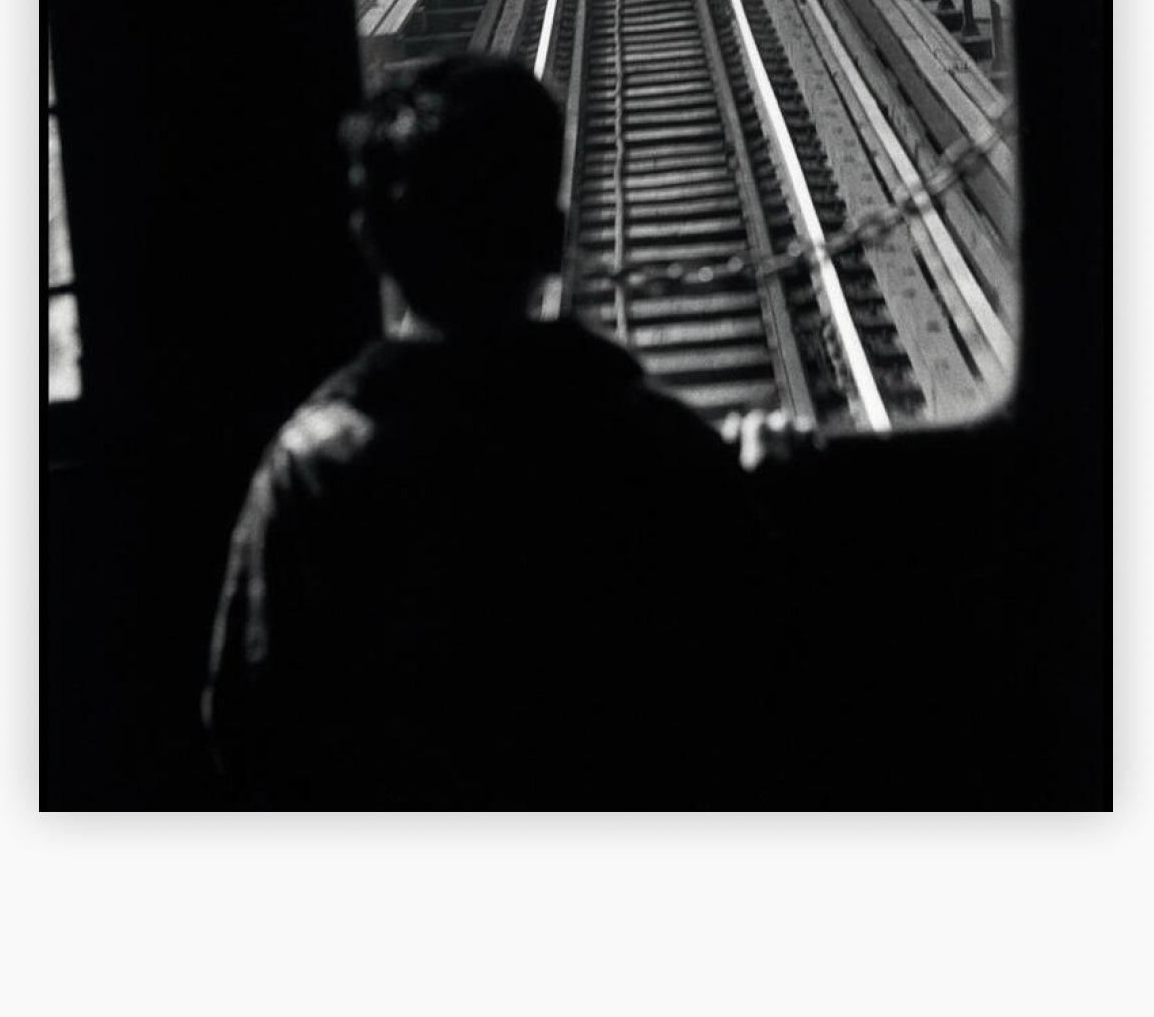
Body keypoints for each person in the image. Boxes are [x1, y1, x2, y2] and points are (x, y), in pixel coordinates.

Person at [203, 54, 786, 809]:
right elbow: (751, 691)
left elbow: (251, 733)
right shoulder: (661, 448)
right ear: (551, 237)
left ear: (374, 244)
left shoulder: (318, 468)